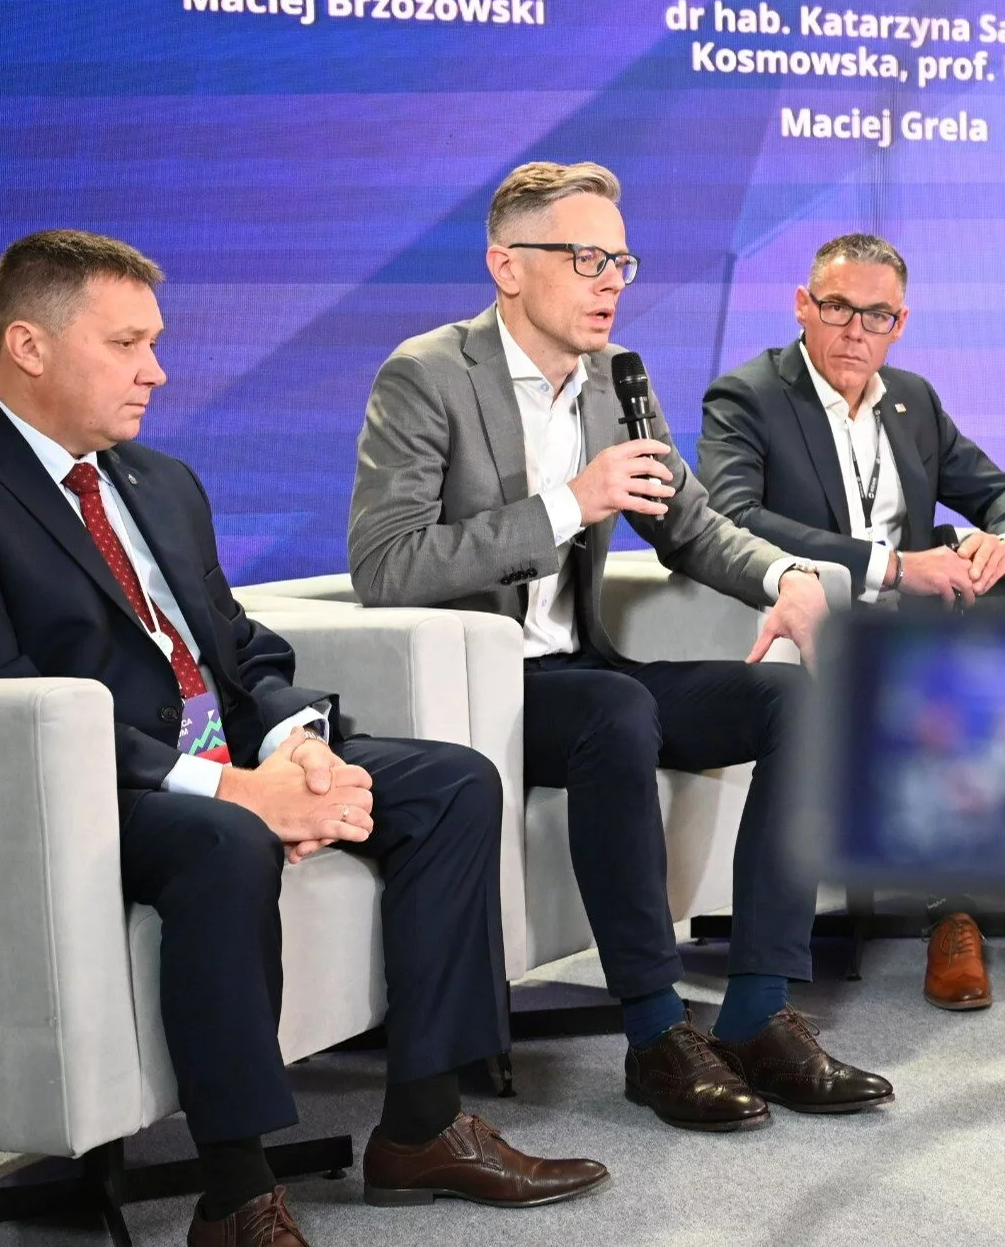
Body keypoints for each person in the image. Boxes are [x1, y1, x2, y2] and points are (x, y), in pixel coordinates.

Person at [0, 230, 607, 1247]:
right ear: (28, 345)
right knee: (224, 840)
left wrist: (298, 746)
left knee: (452, 784)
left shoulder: (157, 480)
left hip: (210, 762)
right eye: (127, 343)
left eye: (155, 343)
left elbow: (240, 651)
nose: (157, 369)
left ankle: (422, 1126)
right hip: (69, 794)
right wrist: (233, 793)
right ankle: (236, 1195)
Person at [347, 162, 890, 1133]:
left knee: (795, 698)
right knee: (615, 707)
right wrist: (568, 503)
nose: (610, 280)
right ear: (505, 266)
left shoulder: (614, 378)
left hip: (585, 670)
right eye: (586, 257)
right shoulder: (428, 373)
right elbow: (384, 564)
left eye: (621, 260)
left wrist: (787, 580)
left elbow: (689, 524)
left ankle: (758, 1012)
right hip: (479, 687)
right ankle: (651, 1033)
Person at [698, 231, 1005, 1013]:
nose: (854, 330)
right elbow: (734, 515)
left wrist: (1004, 546)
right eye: (838, 307)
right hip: (834, 623)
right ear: (803, 305)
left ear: (900, 323)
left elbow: (1004, 491)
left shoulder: (911, 400)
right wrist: (892, 564)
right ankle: (954, 914)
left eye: (876, 316)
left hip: (929, 616)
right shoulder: (748, 396)